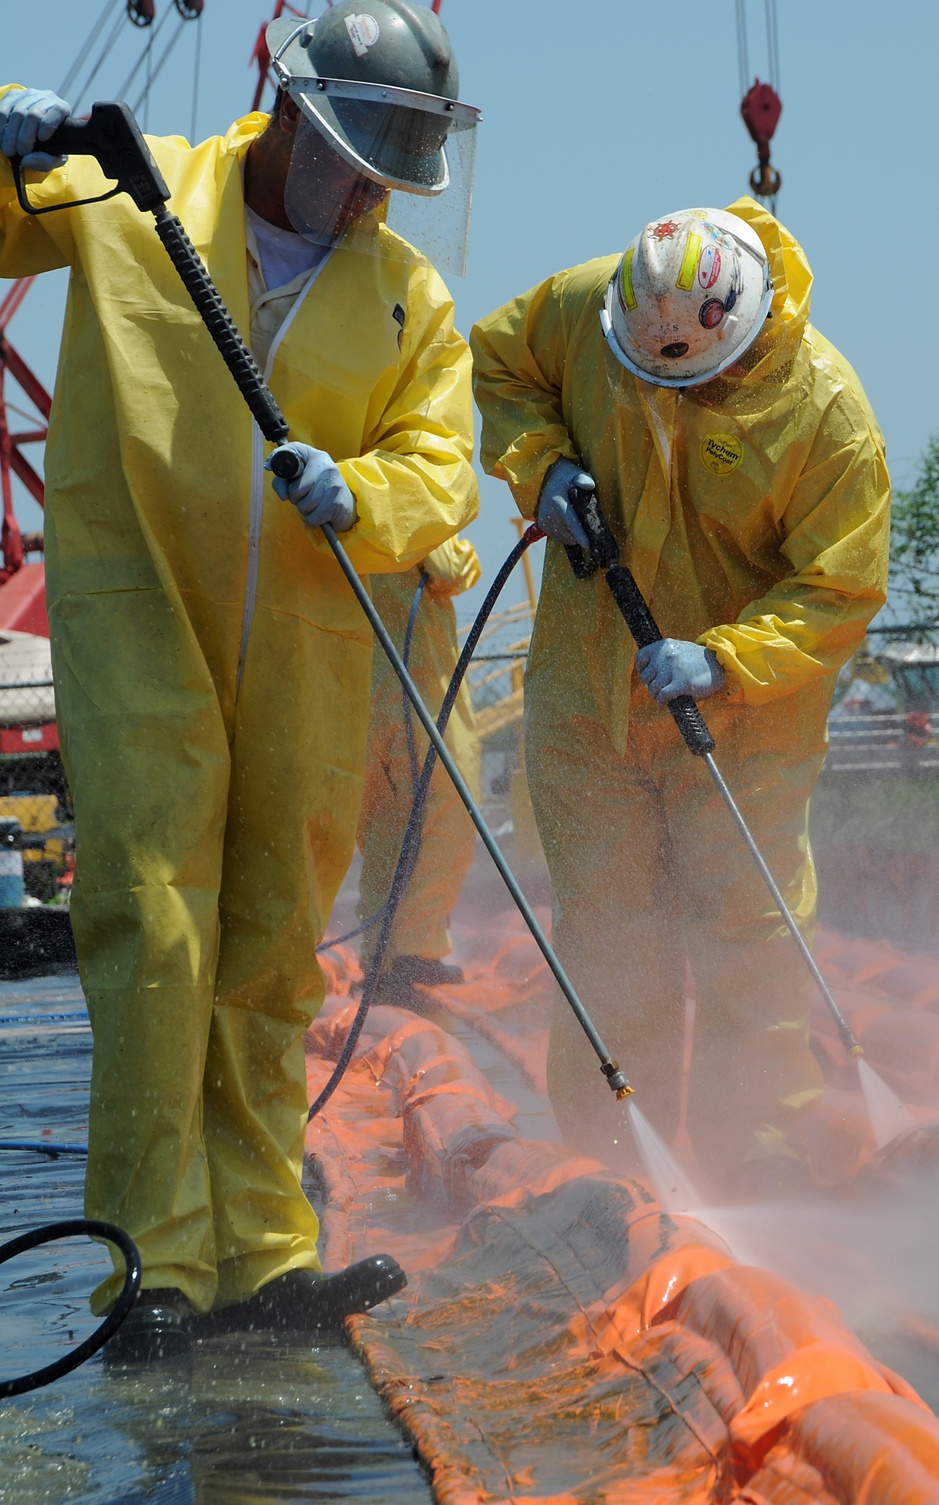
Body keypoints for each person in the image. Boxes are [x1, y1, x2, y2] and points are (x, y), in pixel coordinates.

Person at [0, 0, 478, 1359]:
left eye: (398, 158)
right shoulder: (118, 189)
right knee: (159, 929)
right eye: (357, 149)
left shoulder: (406, 295)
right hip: (140, 602)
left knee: (273, 946)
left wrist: (366, 490)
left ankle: (267, 1251)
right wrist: (4, 141)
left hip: (309, 646)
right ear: (284, 104)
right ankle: (153, 1262)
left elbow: (438, 470)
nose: (373, 185)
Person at [471, 203, 891, 1193]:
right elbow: (499, 362)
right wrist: (542, 469)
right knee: (611, 936)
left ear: (741, 332)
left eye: (704, 375)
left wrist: (725, 661)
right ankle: (613, 1162)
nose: (685, 391)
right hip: (587, 697)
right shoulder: (587, 308)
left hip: (746, 723)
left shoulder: (825, 412)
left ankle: (762, 1158)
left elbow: (840, 588)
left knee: (747, 936)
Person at [354, 537, 481, 1006]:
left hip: (362, 698)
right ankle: (412, 951)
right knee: (447, 819)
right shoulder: (405, 510)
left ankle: (381, 957)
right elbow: (451, 567)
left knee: (387, 832)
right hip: (418, 692)